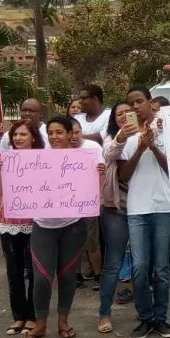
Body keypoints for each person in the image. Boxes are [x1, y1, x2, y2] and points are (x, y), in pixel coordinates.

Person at [18, 116, 104, 338]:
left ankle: (63, 321)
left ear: (70, 134)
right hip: (43, 227)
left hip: (72, 227)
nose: (55, 137)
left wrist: (100, 173)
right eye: (51, 133)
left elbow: (95, 190)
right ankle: (40, 324)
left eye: (59, 132)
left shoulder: (84, 158)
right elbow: (19, 177)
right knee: (42, 278)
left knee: (67, 276)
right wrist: (6, 170)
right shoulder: (38, 158)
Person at [117, 85, 170, 338]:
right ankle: (144, 318)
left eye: (139, 101)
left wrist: (153, 146)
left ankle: (161, 318)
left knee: (162, 269)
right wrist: (140, 148)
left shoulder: (167, 129)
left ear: (150, 102)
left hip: (163, 206)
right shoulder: (126, 136)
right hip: (137, 209)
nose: (134, 107)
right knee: (140, 267)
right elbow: (123, 176)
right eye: (130, 103)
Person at [0, 119, 42, 336]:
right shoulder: (6, 161)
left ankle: (33, 315)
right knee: (14, 271)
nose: (18, 138)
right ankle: (18, 316)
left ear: (33, 138)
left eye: (23, 135)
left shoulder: (43, 160)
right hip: (9, 222)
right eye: (15, 135)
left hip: (35, 223)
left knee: (35, 272)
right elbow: (0, 194)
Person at [98, 101, 137, 335]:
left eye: (127, 112)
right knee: (113, 263)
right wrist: (122, 137)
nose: (123, 116)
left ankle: (144, 312)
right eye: (118, 114)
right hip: (116, 208)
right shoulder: (111, 137)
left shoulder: (148, 134)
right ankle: (104, 312)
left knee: (143, 264)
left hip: (143, 207)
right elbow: (109, 153)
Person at [71, 120, 105, 286]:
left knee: (92, 241)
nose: (74, 136)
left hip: (88, 201)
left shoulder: (93, 147)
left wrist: (101, 197)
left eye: (77, 132)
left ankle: (98, 274)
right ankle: (76, 275)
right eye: (71, 133)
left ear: (81, 130)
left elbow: (102, 172)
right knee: (72, 242)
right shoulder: (58, 150)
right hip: (67, 204)